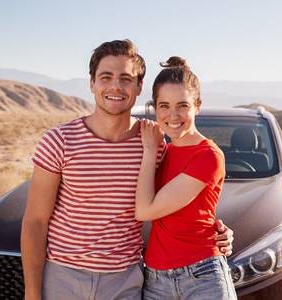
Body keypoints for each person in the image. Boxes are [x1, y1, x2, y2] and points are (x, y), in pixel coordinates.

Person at [21, 39, 234, 300]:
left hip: (125, 282)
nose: (115, 86)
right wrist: (31, 293)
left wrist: (217, 230)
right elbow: (35, 221)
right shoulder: (59, 141)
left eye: (125, 78)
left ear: (138, 87)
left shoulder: (154, 145)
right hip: (64, 278)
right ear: (92, 84)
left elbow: (186, 200)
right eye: (105, 77)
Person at [135, 56, 237, 300]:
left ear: (197, 106)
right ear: (155, 107)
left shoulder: (208, 156)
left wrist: (149, 150)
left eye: (182, 105)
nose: (173, 115)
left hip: (202, 276)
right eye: (164, 106)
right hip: (156, 278)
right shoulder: (166, 152)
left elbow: (145, 211)